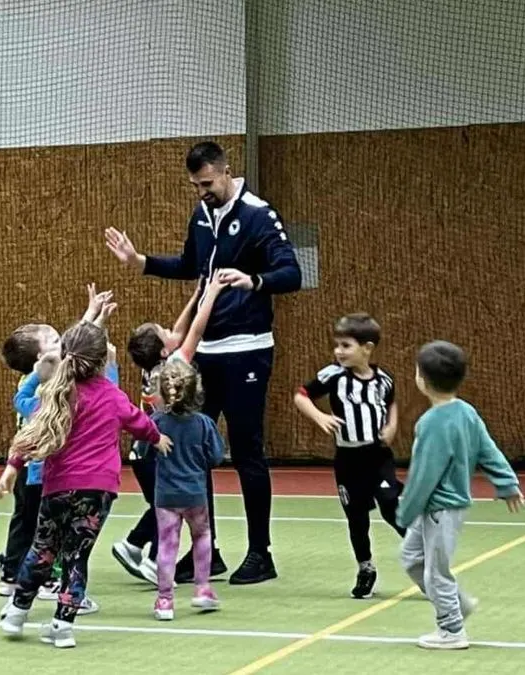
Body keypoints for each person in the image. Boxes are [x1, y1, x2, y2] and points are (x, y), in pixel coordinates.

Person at [104, 140, 302, 585]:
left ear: (225, 171)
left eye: (208, 184)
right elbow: (191, 265)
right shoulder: (201, 215)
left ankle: (260, 553)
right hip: (205, 354)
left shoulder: (257, 214)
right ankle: (205, 549)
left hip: (248, 347)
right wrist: (141, 262)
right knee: (190, 450)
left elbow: (291, 273)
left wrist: (253, 280)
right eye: (196, 186)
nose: (202, 192)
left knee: (248, 449)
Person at [0, 320, 171, 649]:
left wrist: (12, 467)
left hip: (58, 487)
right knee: (77, 557)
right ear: (102, 360)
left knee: (42, 549)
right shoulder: (112, 396)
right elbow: (138, 420)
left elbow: (33, 429)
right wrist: (156, 437)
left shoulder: (57, 393)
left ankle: (18, 611)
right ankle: (62, 626)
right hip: (98, 490)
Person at [0, 285, 115, 616]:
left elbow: (75, 345)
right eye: (53, 341)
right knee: (42, 530)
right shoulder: (45, 384)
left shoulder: (46, 376)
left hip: (33, 467)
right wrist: (94, 323)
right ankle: (35, 580)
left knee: (31, 525)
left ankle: (13, 573)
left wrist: (93, 317)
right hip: (41, 470)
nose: (60, 342)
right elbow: (74, 351)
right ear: (40, 359)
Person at [395, 340, 524, 650]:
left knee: (435, 571)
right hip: (437, 510)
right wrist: (506, 483)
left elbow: (425, 473)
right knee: (411, 558)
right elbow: (488, 450)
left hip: (441, 509)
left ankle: (451, 630)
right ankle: (457, 605)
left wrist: (405, 509)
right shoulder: (466, 411)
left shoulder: (433, 423)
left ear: (422, 380)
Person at [112, 275, 230, 584]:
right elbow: (194, 332)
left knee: (161, 503)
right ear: (165, 350)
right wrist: (212, 295)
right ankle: (151, 558)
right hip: (158, 448)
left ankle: (134, 546)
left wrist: (194, 297)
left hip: (142, 449)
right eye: (164, 332)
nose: (170, 330)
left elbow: (178, 331)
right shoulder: (175, 364)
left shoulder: (152, 366)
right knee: (170, 503)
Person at [294, 313, 406, 599]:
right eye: (337, 346)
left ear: (367, 348)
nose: (338, 352)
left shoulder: (383, 379)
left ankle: (422, 554)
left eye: (346, 346)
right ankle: (365, 567)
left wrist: (392, 426)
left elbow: (391, 402)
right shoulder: (333, 376)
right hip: (348, 460)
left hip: (378, 455)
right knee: (357, 517)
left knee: (390, 505)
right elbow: (301, 395)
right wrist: (319, 416)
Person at [147, 357, 225, 621]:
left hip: (166, 495)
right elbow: (215, 457)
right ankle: (203, 588)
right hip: (195, 494)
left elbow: (144, 451)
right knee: (202, 536)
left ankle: (165, 600)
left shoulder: (156, 422)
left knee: (167, 545)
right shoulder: (204, 424)